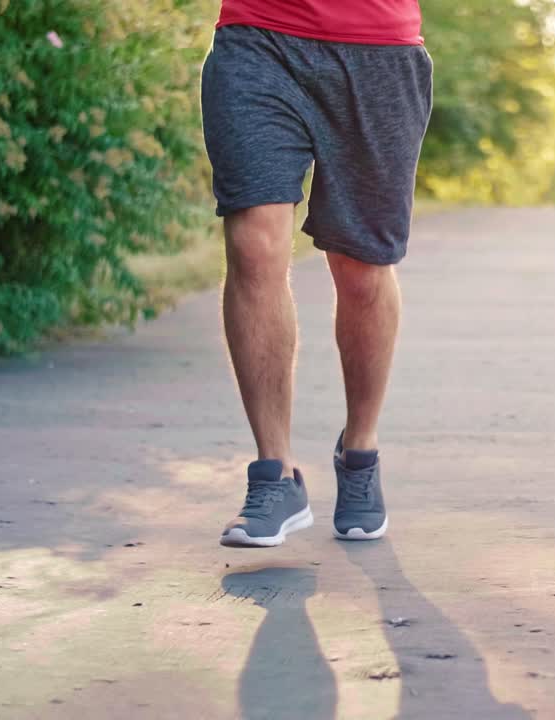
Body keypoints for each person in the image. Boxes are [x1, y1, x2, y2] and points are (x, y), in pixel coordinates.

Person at [201, 0, 433, 547]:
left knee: (362, 269)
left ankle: (360, 452)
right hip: (257, 39)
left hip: (378, 49)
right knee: (254, 245)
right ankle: (274, 474)